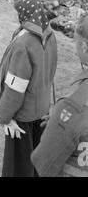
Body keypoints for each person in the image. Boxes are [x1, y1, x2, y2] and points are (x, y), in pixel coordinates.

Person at [0, 0, 58, 177]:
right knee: (35, 161)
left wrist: (2, 117)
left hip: (22, 118)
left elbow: (14, 91)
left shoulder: (23, 44)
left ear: (23, 15)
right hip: (42, 111)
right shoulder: (49, 35)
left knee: (17, 167)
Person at [31, 13, 88, 177]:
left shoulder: (74, 107)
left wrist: (60, 121)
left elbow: (44, 163)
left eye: (76, 42)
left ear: (84, 46)